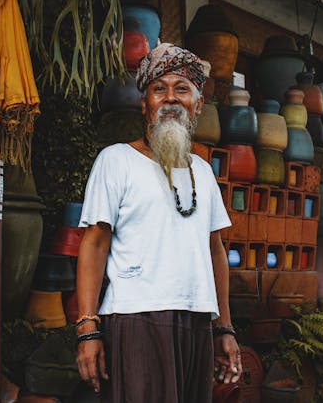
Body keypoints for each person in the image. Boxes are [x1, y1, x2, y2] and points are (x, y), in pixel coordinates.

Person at [75, 43, 241, 402]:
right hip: (136, 318)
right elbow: (94, 243)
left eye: (182, 89)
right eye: (158, 88)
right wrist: (87, 329)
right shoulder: (116, 160)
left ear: (197, 104)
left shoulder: (202, 172)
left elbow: (215, 252)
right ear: (144, 103)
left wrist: (223, 327)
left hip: (196, 321)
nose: (170, 98)